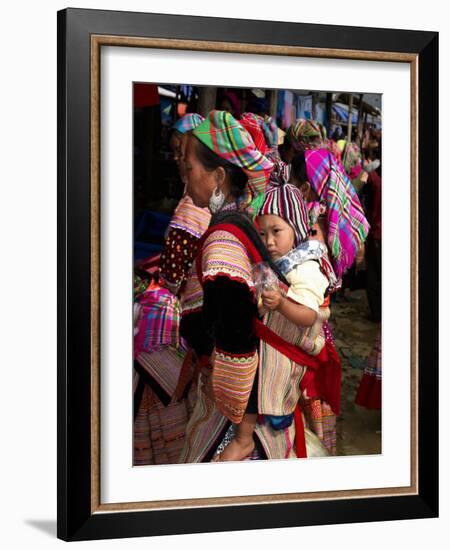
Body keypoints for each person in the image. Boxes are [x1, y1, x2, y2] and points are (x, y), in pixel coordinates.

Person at [177, 111, 329, 463]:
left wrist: (236, 414)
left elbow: (235, 334)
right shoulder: (243, 221)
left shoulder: (223, 241)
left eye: (189, 169)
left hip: (233, 415)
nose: (184, 180)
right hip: (256, 405)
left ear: (217, 177)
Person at [211, 181, 337, 461]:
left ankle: (243, 440)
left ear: (297, 230)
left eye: (276, 232)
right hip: (276, 346)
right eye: (262, 233)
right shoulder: (278, 263)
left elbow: (308, 316)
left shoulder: (307, 269)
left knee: (251, 374)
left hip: (285, 355)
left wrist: (280, 303)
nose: (269, 241)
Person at [133, 113, 211, 465]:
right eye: (177, 153)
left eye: (185, 156)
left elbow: (172, 276)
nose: (178, 162)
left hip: (189, 319)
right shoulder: (207, 206)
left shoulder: (190, 211)